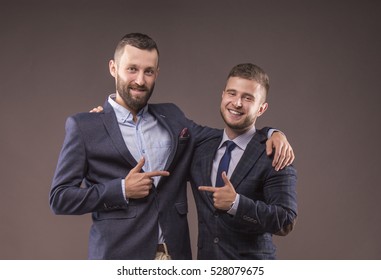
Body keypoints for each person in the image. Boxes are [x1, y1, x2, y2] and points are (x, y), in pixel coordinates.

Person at [50, 33, 294, 260]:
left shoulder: (172, 117)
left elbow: (226, 135)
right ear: (113, 68)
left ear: (157, 73)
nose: (139, 80)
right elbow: (60, 198)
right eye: (132, 69)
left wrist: (271, 133)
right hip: (119, 257)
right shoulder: (85, 126)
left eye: (148, 71)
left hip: (175, 257)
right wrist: (122, 189)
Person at [190, 63, 297, 259]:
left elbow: (285, 220)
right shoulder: (200, 146)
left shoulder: (275, 152)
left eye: (248, 98)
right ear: (223, 95)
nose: (237, 103)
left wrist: (236, 204)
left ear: (261, 108)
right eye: (232, 93)